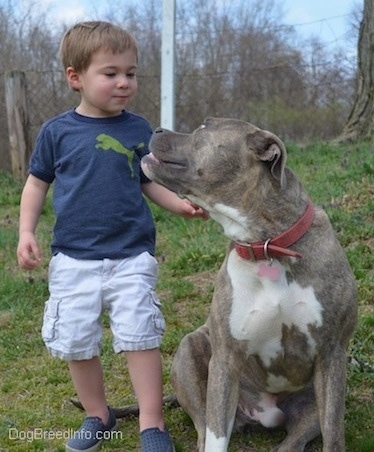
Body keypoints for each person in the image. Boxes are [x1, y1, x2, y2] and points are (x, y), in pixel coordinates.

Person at [17, 21, 206, 452]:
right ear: (75, 77)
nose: (124, 82)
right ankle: (97, 415)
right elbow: (35, 184)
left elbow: (148, 180)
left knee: (141, 335)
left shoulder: (139, 129)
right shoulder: (56, 133)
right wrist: (26, 231)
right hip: (73, 259)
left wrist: (179, 203)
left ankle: (152, 425)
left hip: (131, 254)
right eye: (111, 73)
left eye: (131, 73)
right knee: (77, 341)